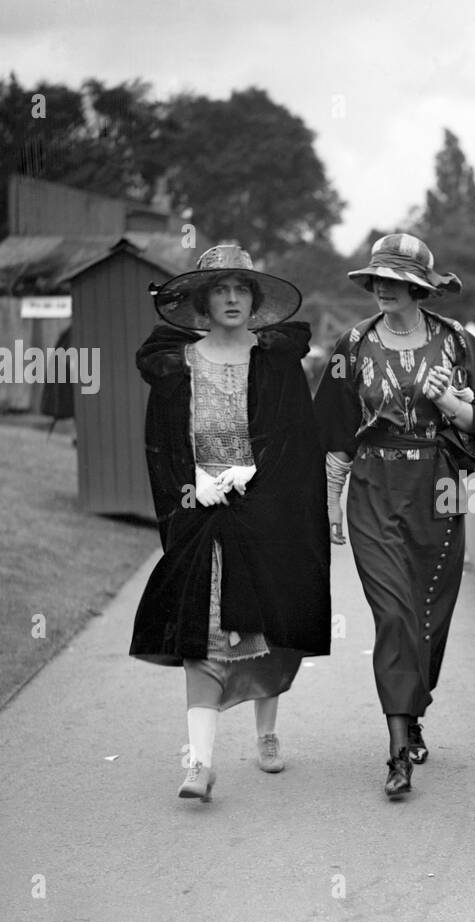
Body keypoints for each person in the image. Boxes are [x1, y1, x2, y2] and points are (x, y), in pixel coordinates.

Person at [129, 242, 331, 803]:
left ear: (256, 299)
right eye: (221, 289)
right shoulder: (177, 362)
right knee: (205, 631)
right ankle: (199, 763)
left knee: (269, 624)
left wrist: (257, 478)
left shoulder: (276, 360)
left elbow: (297, 440)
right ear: (202, 299)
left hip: (265, 509)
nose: (233, 298)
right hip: (202, 513)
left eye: (242, 289)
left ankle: (266, 732)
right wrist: (191, 486)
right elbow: (162, 444)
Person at [314, 233, 475, 799]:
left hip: (438, 490)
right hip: (373, 489)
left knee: (430, 616)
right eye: (376, 279)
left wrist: (449, 402)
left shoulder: (457, 344)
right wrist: (331, 498)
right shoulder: (352, 346)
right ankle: (398, 752)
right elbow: (334, 432)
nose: (382, 288)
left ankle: (414, 708)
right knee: (395, 616)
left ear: (418, 288)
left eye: (394, 280)